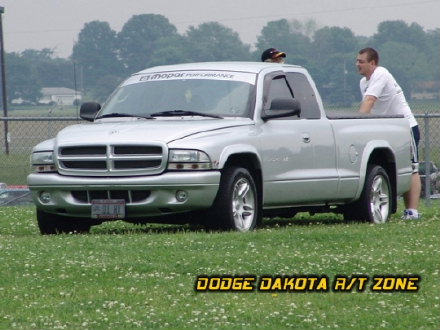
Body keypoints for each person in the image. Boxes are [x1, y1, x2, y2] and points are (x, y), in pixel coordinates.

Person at [356, 47, 421, 220]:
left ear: (373, 63)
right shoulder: (364, 82)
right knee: (396, 167)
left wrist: (356, 124)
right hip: (388, 131)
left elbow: (369, 102)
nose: (357, 65)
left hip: (405, 127)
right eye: (357, 61)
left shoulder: (381, 74)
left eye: (361, 61)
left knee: (412, 167)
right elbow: (368, 110)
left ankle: (412, 211)